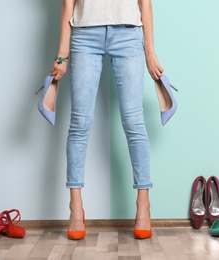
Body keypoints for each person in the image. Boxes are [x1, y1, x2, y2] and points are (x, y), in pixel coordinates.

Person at [49, 0, 165, 240]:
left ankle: (143, 206)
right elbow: (67, 2)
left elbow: (145, 2)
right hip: (84, 33)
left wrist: (150, 52)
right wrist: (62, 54)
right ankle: (75, 209)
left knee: (133, 121)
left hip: (128, 32)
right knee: (79, 122)